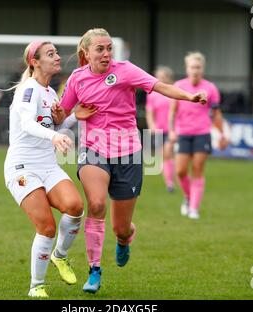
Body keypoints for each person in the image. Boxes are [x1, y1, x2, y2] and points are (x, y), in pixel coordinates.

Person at [59, 28, 207, 294]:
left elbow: (159, 86)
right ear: (86, 53)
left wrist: (190, 97)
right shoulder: (77, 79)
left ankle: (125, 239)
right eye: (100, 49)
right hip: (93, 150)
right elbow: (61, 112)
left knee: (121, 227)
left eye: (108, 48)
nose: (106, 54)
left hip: (128, 153)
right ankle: (94, 270)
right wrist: (65, 113)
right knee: (95, 204)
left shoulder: (125, 70)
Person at [3, 40, 96, 298]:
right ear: (35, 62)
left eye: (56, 52)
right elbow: (28, 124)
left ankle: (60, 255)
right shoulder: (28, 90)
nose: (57, 57)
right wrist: (54, 137)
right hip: (22, 167)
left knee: (76, 207)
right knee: (46, 227)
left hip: (47, 164)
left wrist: (74, 116)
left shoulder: (51, 93)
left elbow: (54, 126)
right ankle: (37, 286)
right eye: (51, 54)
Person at [168, 52, 228, 220]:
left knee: (197, 170)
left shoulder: (210, 88)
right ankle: (188, 197)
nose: (195, 70)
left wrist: (222, 134)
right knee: (180, 171)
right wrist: (172, 130)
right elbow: (172, 112)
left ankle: (194, 208)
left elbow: (216, 114)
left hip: (202, 133)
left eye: (198, 67)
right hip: (184, 134)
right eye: (193, 67)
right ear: (187, 68)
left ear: (203, 69)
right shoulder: (179, 85)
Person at [145, 66, 176, 192]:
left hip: (173, 129)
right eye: (158, 76)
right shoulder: (152, 94)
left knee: (169, 154)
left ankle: (173, 181)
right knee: (164, 155)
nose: (159, 79)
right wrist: (151, 125)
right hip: (159, 129)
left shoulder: (174, 91)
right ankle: (169, 182)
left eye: (162, 76)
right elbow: (149, 112)